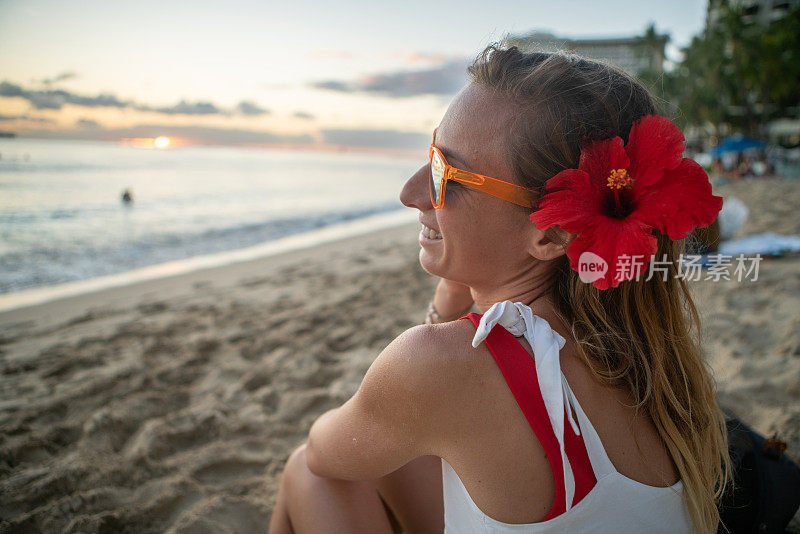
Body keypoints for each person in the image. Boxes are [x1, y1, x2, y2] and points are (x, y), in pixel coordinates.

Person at [269, 43, 731, 534]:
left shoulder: (441, 367)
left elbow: (325, 451)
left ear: (552, 233)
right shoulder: (650, 361)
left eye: (446, 173)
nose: (410, 192)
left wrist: (438, 329)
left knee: (307, 470)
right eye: (430, 154)